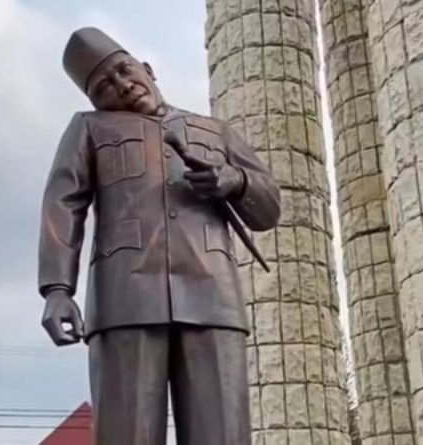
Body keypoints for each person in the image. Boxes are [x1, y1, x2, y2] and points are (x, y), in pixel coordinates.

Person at [37, 26, 280, 445]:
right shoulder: (89, 129)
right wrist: (57, 289)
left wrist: (234, 180)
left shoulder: (215, 131)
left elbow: (268, 209)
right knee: (126, 435)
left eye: (124, 70)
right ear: (94, 101)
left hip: (213, 298)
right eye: (103, 87)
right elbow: (63, 203)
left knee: (222, 435)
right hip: (125, 299)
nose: (122, 86)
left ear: (147, 69)